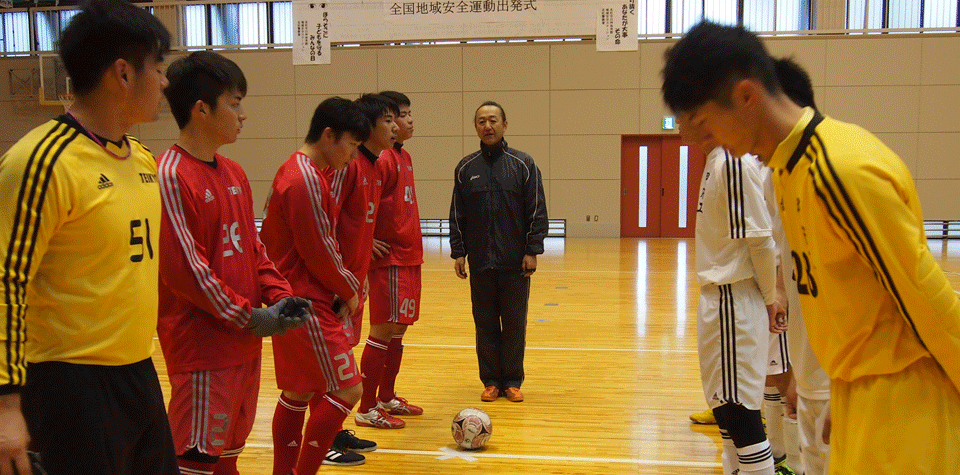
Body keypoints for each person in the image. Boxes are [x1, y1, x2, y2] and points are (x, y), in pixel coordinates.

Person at [662, 21, 960, 473]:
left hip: (905, 413)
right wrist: (830, 381)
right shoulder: (786, 173)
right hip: (857, 398)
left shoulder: (841, 169)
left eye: (704, 127)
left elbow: (928, 303)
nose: (705, 144)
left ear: (746, 96)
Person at [0, 0, 179, 473]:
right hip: (69, 388)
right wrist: (6, 407)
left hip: (139, 374)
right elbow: (4, 283)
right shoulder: (41, 162)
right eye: (158, 67)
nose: (164, 82)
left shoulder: (141, 158)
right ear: (123, 73)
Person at [156, 51, 310, 475]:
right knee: (195, 463)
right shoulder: (171, 175)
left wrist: (280, 295)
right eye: (235, 102)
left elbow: (253, 249)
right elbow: (188, 273)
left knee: (228, 459)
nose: (243, 115)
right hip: (203, 351)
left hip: (244, 345)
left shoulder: (234, 172)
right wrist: (253, 317)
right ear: (201, 109)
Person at [261, 97, 371, 475]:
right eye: (351, 145)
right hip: (306, 300)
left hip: (293, 298)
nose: (353, 157)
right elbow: (319, 249)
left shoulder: (300, 172)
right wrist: (350, 289)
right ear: (328, 135)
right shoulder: (305, 178)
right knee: (349, 389)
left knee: (299, 391)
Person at [686, 122, 787, 475]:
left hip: (733, 299)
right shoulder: (716, 160)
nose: (678, 119)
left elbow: (760, 241)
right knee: (727, 414)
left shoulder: (732, 162)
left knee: (740, 414)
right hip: (719, 300)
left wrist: (771, 297)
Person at [449, 101, 548, 403]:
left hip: (515, 263)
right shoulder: (466, 168)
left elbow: (536, 210)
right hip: (481, 263)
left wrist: (532, 250)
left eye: (493, 120)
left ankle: (513, 381)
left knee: (515, 324)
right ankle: (491, 380)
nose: (487, 126)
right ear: (475, 127)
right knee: (485, 324)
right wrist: (459, 252)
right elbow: (457, 214)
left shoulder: (523, 164)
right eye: (481, 121)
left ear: (505, 125)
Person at [356, 90, 424, 432]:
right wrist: (365, 240)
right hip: (390, 258)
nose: (408, 121)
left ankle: (386, 396)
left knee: (398, 329)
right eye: (400, 115)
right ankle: (367, 407)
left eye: (410, 113)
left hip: (409, 255)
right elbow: (359, 204)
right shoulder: (380, 159)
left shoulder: (403, 156)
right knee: (383, 329)